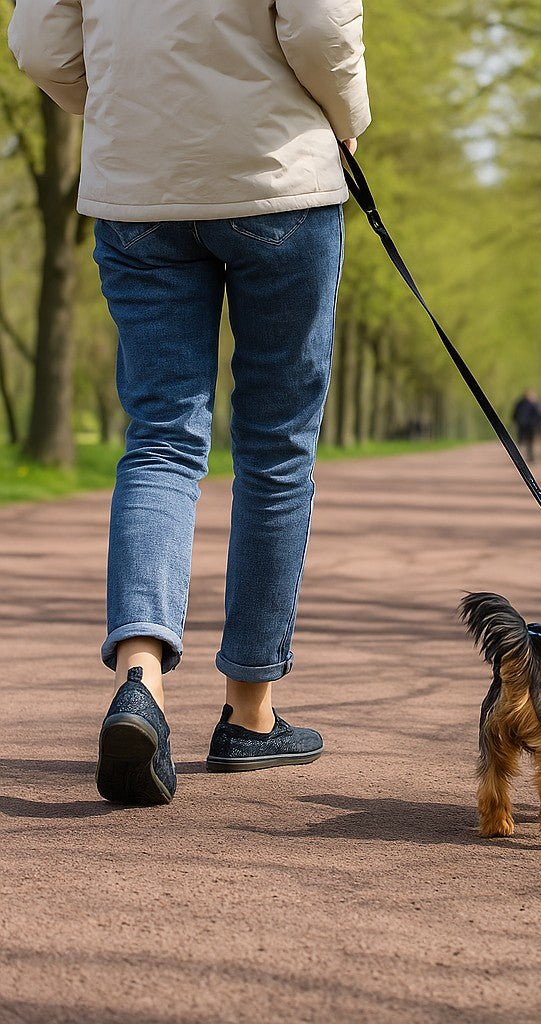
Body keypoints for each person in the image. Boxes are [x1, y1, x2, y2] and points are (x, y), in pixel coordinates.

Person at [8, 0, 370, 805]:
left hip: (138, 188)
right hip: (278, 178)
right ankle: (249, 714)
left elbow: (38, 46)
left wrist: (126, 110)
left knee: (162, 438)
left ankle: (140, 683)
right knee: (275, 448)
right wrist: (349, 119)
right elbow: (318, 28)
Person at [512, 389, 541, 462]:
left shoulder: (521, 403)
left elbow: (514, 414)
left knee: (528, 442)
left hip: (529, 426)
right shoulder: (534, 404)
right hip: (527, 426)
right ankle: (526, 457)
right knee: (526, 442)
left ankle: (529, 457)